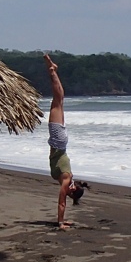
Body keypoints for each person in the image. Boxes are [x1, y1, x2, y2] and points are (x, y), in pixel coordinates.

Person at [44, 53, 88, 229]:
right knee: (57, 102)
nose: (68, 193)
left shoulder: (68, 178)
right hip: (58, 141)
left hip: (60, 142)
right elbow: (61, 201)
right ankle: (52, 71)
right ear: (74, 188)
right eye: (71, 193)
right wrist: (60, 223)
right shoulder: (67, 178)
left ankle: (53, 71)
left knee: (59, 101)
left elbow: (64, 200)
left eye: (70, 194)